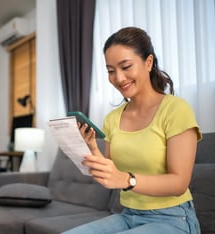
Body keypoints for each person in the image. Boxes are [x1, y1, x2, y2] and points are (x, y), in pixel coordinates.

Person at [62, 27, 202, 234]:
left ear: (148, 62)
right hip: (129, 215)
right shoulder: (112, 119)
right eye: (111, 71)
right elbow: (112, 175)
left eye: (126, 66)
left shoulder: (176, 109)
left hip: (173, 218)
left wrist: (128, 180)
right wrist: (92, 146)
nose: (118, 78)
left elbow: (179, 182)